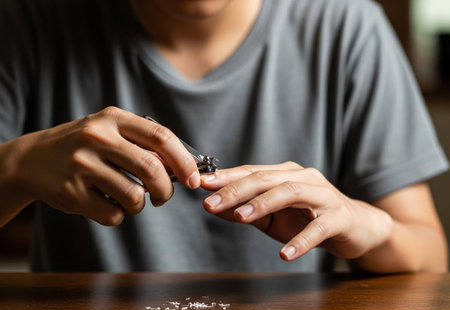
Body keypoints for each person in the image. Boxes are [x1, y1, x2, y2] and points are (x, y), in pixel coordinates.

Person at [0, 0, 448, 273]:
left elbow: (431, 260)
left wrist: (366, 225)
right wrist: (15, 168)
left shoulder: (347, 29)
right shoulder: (28, 21)